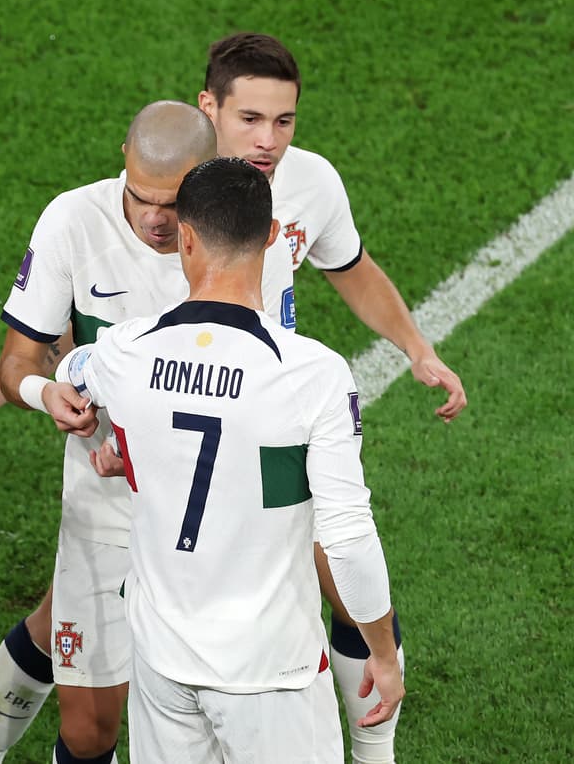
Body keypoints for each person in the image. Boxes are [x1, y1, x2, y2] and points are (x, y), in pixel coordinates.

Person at [0, 102, 294, 764]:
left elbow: (270, 383)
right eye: (140, 195)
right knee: (91, 730)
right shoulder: (73, 221)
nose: (153, 217)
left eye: (172, 203)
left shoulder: (252, 242)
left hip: (208, 506)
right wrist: (44, 391)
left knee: (214, 714)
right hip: (103, 498)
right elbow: (18, 361)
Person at [46, 156, 404, 762]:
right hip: (273, 671)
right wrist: (384, 652)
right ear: (271, 237)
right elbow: (345, 536)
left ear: (183, 237)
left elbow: (71, 369)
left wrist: (70, 387)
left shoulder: (124, 352)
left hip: (162, 663)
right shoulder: (313, 374)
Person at [197, 31, 466, 763]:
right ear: (209, 107)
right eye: (250, 118)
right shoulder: (173, 193)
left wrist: (418, 348)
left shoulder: (309, 181)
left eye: (283, 121)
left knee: (340, 579)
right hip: (187, 420)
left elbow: (350, 267)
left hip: (278, 415)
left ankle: (375, 752)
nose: (268, 139)